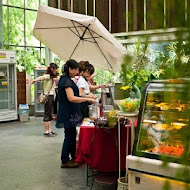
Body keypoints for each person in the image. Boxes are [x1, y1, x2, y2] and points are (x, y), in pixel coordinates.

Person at [56, 59, 95, 168]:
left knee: (72, 135)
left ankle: (73, 157)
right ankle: (64, 160)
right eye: (76, 69)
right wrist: (86, 99)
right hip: (68, 113)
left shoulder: (68, 80)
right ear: (70, 69)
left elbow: (76, 95)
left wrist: (87, 97)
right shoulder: (67, 82)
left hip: (70, 112)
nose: (78, 71)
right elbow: (72, 98)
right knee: (69, 136)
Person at [32, 63, 58, 137]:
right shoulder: (48, 76)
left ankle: (49, 130)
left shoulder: (53, 77)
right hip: (48, 96)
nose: (57, 70)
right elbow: (41, 77)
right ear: (52, 69)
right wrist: (34, 80)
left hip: (52, 96)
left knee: (49, 113)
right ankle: (46, 131)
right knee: (47, 113)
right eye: (56, 69)